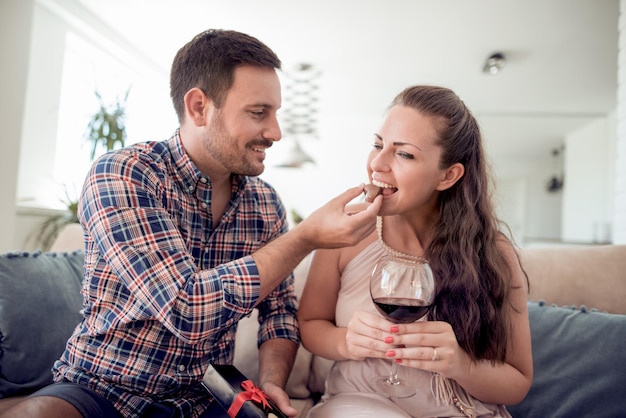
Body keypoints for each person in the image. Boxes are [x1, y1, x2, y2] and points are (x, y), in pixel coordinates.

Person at [0, 29, 381, 418]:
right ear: (199, 106)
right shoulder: (123, 175)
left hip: (203, 399)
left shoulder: (264, 204)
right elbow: (186, 306)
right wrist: (306, 237)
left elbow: (278, 315)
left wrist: (271, 381)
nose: (275, 132)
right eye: (258, 112)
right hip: (100, 388)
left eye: (275, 113)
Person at [298, 85, 533, 417]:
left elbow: (517, 381)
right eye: (378, 145)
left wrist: (460, 365)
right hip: (363, 404)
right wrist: (345, 341)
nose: (377, 164)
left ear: (448, 175)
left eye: (403, 153)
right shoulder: (347, 230)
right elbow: (309, 322)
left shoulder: (493, 253)